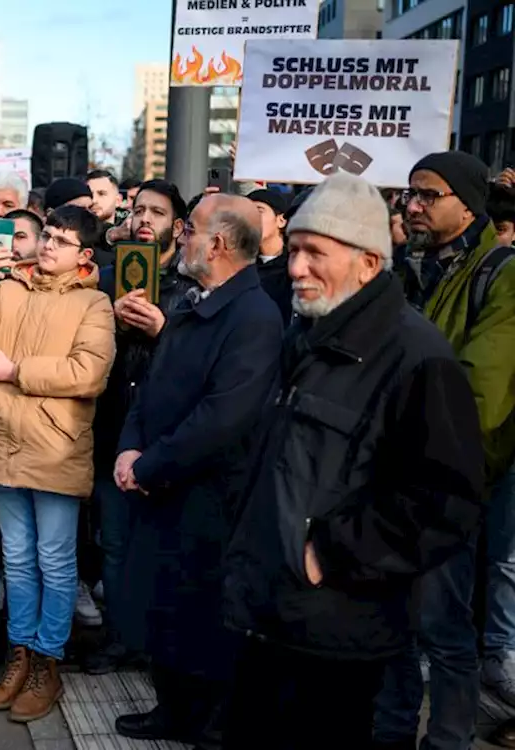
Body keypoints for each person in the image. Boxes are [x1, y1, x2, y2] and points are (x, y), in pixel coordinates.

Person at [220, 172, 487, 749]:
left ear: (369, 264)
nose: (295, 269)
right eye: (293, 251)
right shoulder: (309, 335)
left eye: (316, 253)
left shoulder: (417, 355)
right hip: (267, 616)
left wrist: (330, 553)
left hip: (336, 633)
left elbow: (445, 501)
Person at [113, 194, 283, 746]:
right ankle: (173, 709)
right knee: (161, 607)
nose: (180, 236)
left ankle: (209, 725)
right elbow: (152, 385)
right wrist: (128, 449)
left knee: (202, 616)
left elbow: (222, 417)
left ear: (218, 243)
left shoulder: (254, 317)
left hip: (210, 496)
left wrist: (149, 464)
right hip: (161, 483)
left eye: (190, 229)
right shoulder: (193, 302)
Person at [0, 204, 115, 723]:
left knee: (55, 560)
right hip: (4, 438)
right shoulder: (9, 286)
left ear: (83, 255)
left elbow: (88, 373)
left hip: (56, 447)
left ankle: (49, 662)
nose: (48, 246)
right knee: (18, 559)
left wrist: (17, 369)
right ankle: (18, 654)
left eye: (62, 241)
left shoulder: (96, 304)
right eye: (47, 236)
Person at [376, 151, 515, 750]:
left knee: (442, 624)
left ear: (468, 204)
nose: (412, 205)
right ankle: (391, 730)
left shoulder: (501, 272)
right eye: (410, 194)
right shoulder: (413, 270)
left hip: (450, 479)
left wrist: (397, 433)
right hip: (400, 477)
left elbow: (480, 392)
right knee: (396, 623)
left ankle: (449, 739)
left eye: (428, 195)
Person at [89, 180, 193, 676]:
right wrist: (104, 322)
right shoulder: (108, 278)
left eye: (156, 211)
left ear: (178, 224)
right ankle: (120, 639)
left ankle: (161, 645)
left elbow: (205, 362)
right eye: (137, 210)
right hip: (112, 429)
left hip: (168, 437)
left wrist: (163, 331)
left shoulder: (191, 284)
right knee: (115, 543)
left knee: (166, 548)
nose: (144, 219)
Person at [247, 188, 293, 324]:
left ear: (281, 221)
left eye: (259, 210)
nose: (252, 218)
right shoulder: (242, 266)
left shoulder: (294, 267)